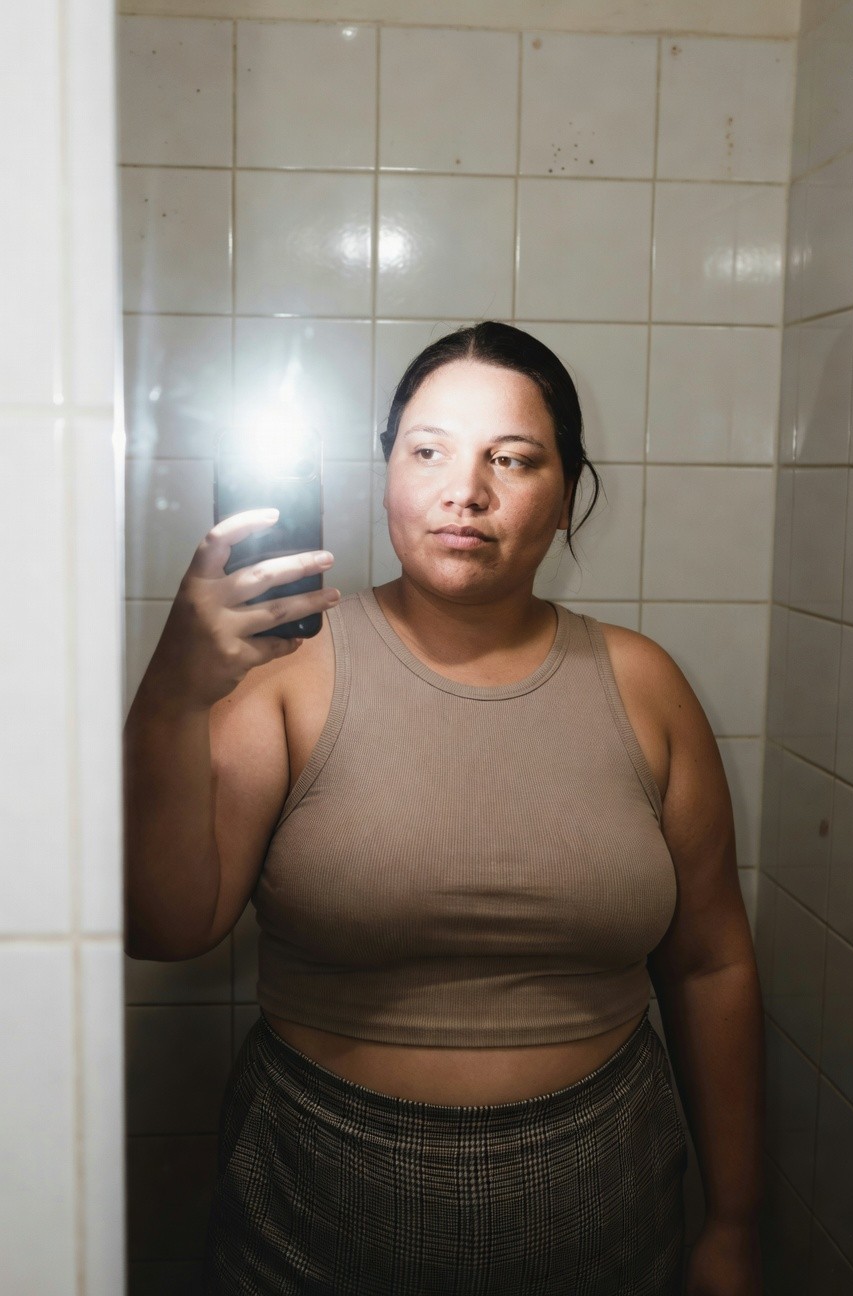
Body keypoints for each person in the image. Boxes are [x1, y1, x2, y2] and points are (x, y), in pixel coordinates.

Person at [124, 322, 764, 1296]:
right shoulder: (286, 673)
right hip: (313, 1202)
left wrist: (733, 1223)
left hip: (609, 1198)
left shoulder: (647, 687)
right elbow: (165, 928)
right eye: (427, 453)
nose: (465, 491)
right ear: (386, 475)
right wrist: (173, 692)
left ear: (567, 495)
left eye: (513, 459)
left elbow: (713, 963)